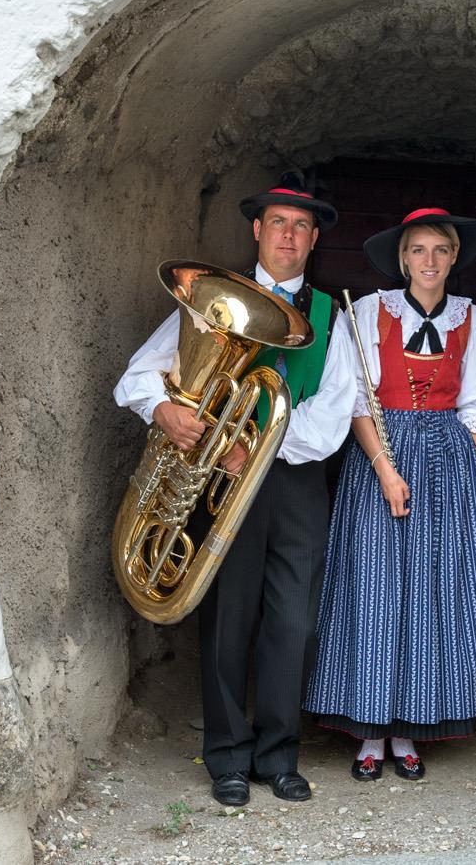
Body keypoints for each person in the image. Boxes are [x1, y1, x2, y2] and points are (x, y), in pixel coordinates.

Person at [113, 175, 355, 807]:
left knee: (294, 625)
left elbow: (331, 418)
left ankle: (279, 756)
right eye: (279, 222)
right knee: (228, 620)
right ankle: (226, 756)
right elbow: (138, 374)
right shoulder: (213, 302)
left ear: (314, 238)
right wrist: (163, 410)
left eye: (302, 226)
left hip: (295, 483)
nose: (289, 235)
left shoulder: (333, 315)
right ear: (257, 230)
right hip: (220, 482)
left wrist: (258, 445)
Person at [304, 207, 476, 782]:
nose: (429, 261)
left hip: (449, 459)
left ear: (454, 257)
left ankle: (409, 729)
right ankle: (370, 733)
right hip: (379, 455)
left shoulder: (473, 319)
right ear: (402, 259)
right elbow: (359, 399)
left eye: (440, 250)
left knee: (431, 589)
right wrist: (386, 470)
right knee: (376, 585)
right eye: (418, 250)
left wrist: (474, 490)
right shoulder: (368, 311)